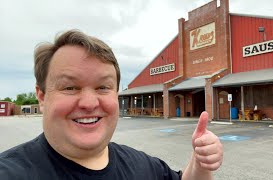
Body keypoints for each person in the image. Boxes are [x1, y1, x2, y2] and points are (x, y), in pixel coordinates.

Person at [0, 30, 223, 179]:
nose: (89, 103)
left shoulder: (144, 168)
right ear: (41, 96)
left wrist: (200, 162)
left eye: (102, 87)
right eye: (70, 87)